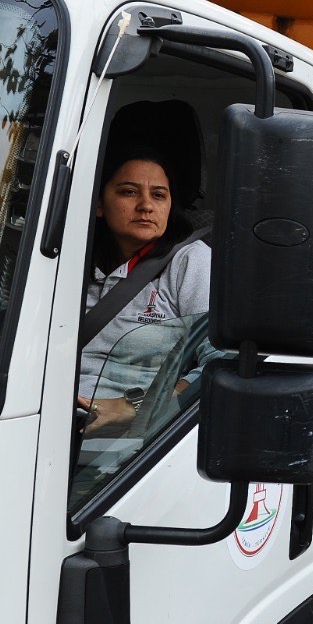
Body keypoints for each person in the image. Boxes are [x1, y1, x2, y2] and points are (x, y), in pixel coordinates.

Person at [77, 148, 211, 433]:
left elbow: (221, 362)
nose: (146, 206)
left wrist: (132, 407)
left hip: (132, 445)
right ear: (99, 204)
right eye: (129, 192)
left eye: (159, 195)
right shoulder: (69, 260)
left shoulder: (189, 260)